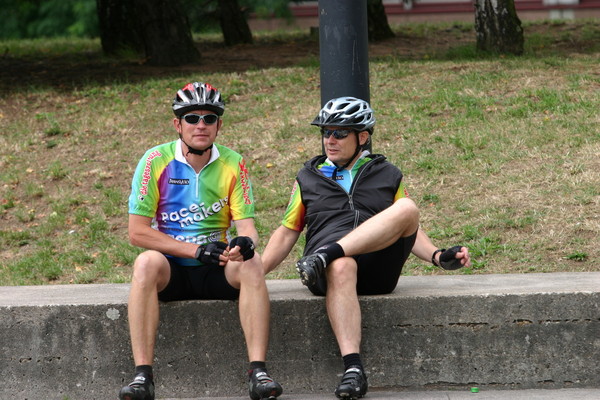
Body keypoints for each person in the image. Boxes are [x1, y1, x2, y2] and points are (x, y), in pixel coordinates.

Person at [262, 96, 470, 399]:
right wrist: (256, 273)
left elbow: (405, 225)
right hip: (328, 273)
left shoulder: (387, 174)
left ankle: (327, 255)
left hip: (376, 266)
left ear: (362, 137)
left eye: (339, 133)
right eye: (326, 132)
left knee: (407, 208)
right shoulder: (308, 176)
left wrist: (438, 256)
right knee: (341, 264)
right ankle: (353, 369)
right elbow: (287, 231)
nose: (330, 140)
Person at [119, 82, 282, 400]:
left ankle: (259, 373)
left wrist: (245, 242)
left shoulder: (233, 162)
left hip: (216, 268)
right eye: (192, 118)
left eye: (209, 118)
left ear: (219, 125)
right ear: (177, 124)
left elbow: (247, 227)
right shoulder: (155, 161)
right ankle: (142, 377)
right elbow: (137, 232)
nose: (201, 125)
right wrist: (195, 250)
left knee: (253, 263)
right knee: (145, 263)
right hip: (172, 270)